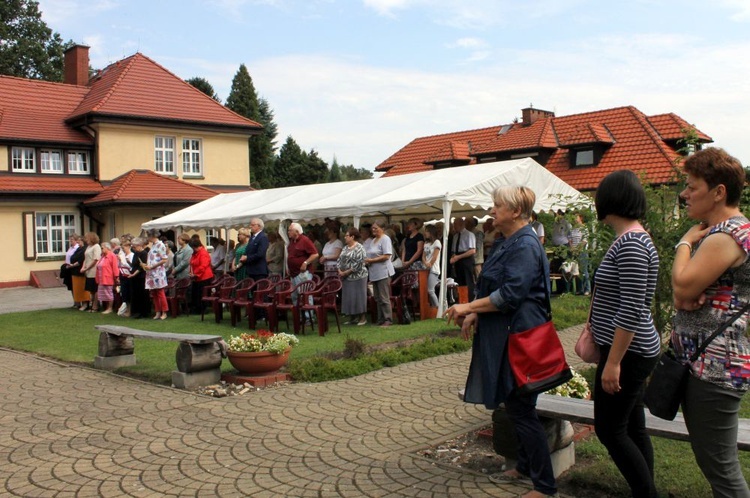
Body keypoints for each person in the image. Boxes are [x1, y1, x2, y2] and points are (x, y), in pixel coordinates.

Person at [444, 185, 557, 498]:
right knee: (515, 403)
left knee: (521, 407)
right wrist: (478, 314)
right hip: (506, 332)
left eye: (497, 205)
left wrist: (468, 306)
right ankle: (524, 465)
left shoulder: (525, 244)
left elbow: (510, 295)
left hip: (519, 336)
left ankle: (545, 487)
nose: (492, 210)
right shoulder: (509, 240)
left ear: (516, 211)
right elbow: (493, 286)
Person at [670, 147, 750, 498]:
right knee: (716, 464)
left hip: (714, 368)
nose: (685, 194)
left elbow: (682, 285)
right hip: (712, 365)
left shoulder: (724, 236)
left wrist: (684, 243)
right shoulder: (730, 231)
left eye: (692, 186)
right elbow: (680, 296)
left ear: (719, 192)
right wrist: (684, 291)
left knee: (722, 471)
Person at [590, 170, 660, 498]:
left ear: (611, 199)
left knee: (609, 430)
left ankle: (646, 494)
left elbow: (632, 309)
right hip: (632, 350)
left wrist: (613, 362)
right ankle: (644, 492)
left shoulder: (632, 243)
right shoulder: (631, 238)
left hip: (628, 354)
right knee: (633, 427)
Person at [365, 220, 395, 327]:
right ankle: (381, 318)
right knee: (377, 297)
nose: (373, 230)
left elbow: (387, 256)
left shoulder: (385, 239)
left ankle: (388, 319)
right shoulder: (373, 241)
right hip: (374, 272)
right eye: (372, 228)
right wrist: (367, 261)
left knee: (384, 296)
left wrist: (371, 260)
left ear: (382, 229)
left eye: (376, 228)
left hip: (383, 271)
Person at [337, 227, 368, 325]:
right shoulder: (345, 248)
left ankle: (362, 318)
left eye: (346, 236)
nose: (345, 237)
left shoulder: (359, 247)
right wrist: (339, 270)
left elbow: (360, 263)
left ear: (352, 237)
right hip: (346, 277)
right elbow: (339, 259)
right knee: (349, 297)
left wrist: (346, 272)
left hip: (359, 276)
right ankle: (352, 318)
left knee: (359, 297)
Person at [287, 222, 319, 298]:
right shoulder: (292, 241)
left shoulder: (305, 240)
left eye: (290, 230)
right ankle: (297, 309)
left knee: (305, 296)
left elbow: (315, 254)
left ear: (297, 232)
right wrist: (288, 267)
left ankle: (308, 310)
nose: (288, 232)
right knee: (294, 296)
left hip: (303, 273)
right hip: (293, 273)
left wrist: (305, 262)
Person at [144, 229, 169, 320]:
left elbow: (164, 259)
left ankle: (164, 311)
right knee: (154, 292)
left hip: (158, 272)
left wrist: (153, 266)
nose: (148, 238)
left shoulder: (161, 245)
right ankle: (157, 311)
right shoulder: (153, 245)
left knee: (160, 292)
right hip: (151, 272)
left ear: (152, 236)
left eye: (148, 236)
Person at [449, 217, 476, 299]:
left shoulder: (469, 234)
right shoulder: (455, 236)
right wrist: (453, 257)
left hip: (466, 259)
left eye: (455, 225)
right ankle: (462, 298)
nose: (454, 227)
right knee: (459, 280)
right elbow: (454, 250)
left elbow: (472, 250)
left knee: (468, 280)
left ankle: (470, 299)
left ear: (461, 225)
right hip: (458, 259)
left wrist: (458, 257)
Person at [189, 237, 214, 314]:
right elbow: (192, 263)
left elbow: (203, 266)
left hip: (204, 277)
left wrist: (195, 274)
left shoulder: (203, 253)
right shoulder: (196, 253)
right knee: (195, 293)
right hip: (197, 277)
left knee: (201, 293)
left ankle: (202, 309)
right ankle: (196, 308)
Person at [128, 238, 150, 319]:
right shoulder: (135, 253)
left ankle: (143, 312)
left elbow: (141, 267)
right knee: (135, 294)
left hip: (141, 276)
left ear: (139, 246)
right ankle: (136, 311)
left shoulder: (144, 253)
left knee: (142, 294)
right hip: (135, 276)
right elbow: (134, 264)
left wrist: (134, 274)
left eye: (134, 247)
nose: (133, 248)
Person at [569, 212, 591, 296]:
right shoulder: (573, 228)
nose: (575, 218)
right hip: (574, 252)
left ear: (580, 218)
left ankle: (587, 289)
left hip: (582, 252)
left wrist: (578, 249)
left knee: (584, 271)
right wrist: (572, 248)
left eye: (576, 217)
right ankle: (580, 289)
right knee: (576, 271)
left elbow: (584, 241)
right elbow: (570, 239)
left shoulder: (584, 228)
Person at [96, 242, 120, 314]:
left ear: (107, 248)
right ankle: (106, 307)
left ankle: (110, 308)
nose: (101, 249)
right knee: (103, 293)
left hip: (107, 278)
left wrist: (116, 277)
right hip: (101, 278)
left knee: (108, 293)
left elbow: (115, 267)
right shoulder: (103, 256)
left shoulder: (112, 256)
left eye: (102, 248)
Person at [80, 232, 101, 312]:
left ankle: (95, 306)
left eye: (87, 238)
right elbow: (85, 258)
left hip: (93, 270)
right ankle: (92, 305)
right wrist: (83, 267)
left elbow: (96, 259)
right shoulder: (88, 247)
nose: (86, 240)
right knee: (91, 290)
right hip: (88, 271)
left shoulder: (96, 246)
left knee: (95, 289)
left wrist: (87, 268)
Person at [421, 224, 442, 307]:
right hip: (426, 268)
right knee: (427, 290)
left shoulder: (437, 242)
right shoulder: (426, 243)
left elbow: (435, 256)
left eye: (427, 231)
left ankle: (438, 308)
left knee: (430, 290)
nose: (425, 233)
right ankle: (433, 308)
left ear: (431, 232)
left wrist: (430, 264)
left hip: (433, 269)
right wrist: (425, 262)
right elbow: (423, 256)